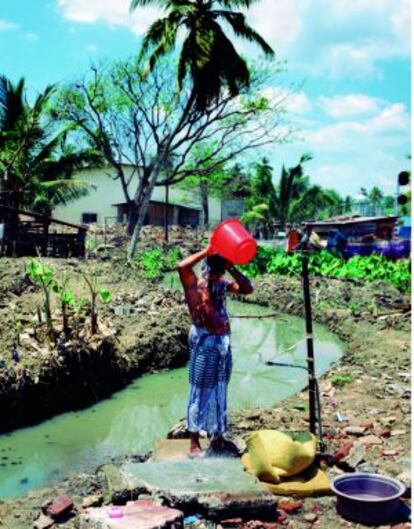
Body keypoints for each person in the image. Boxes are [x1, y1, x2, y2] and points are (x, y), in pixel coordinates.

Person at [177, 245, 253, 456]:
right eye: (216, 270)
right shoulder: (195, 285)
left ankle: (217, 436)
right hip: (205, 341)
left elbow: (247, 288)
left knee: (220, 389)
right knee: (199, 390)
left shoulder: (221, 284)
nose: (217, 275)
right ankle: (194, 440)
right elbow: (181, 266)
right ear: (206, 268)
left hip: (222, 343)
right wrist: (206, 250)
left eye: (221, 272)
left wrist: (232, 268)